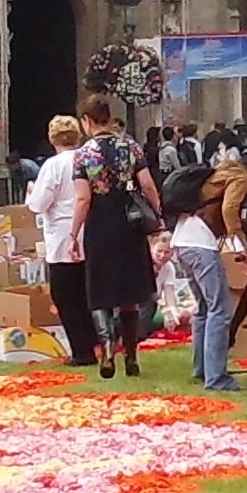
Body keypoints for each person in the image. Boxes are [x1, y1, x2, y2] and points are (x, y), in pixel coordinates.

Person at [75, 102, 157, 381]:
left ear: (87, 120)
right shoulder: (130, 146)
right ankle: (131, 355)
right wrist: (158, 213)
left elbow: (83, 198)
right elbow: (146, 183)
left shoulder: (83, 155)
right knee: (130, 294)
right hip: (129, 222)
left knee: (100, 292)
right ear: (108, 118)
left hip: (99, 224)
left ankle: (108, 349)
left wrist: (74, 232)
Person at [26, 112, 95, 369]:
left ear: (52, 138)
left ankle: (81, 348)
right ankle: (95, 339)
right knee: (85, 291)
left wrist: (33, 192)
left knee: (65, 294)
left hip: (62, 232)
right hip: (90, 229)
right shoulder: (87, 159)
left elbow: (39, 204)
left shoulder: (53, 166)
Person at [171, 158, 241, 392]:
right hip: (201, 244)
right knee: (219, 309)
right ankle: (217, 377)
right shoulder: (238, 177)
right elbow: (229, 209)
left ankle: (202, 368)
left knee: (203, 309)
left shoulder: (207, 181)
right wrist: (242, 246)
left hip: (182, 241)